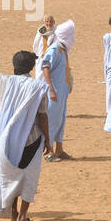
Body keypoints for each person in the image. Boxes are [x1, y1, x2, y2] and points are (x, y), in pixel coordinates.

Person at [0, 46, 51, 221]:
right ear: (31, 68)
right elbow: (43, 116)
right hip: (32, 139)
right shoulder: (39, 87)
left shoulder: (7, 83)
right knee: (29, 175)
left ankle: (13, 213)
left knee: (11, 172)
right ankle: (22, 217)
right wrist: (47, 139)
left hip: (7, 139)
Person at [38, 19, 74, 161]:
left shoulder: (63, 49)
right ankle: (49, 151)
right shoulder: (54, 49)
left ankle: (59, 149)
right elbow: (45, 66)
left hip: (61, 92)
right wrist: (51, 89)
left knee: (61, 119)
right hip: (54, 93)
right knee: (51, 120)